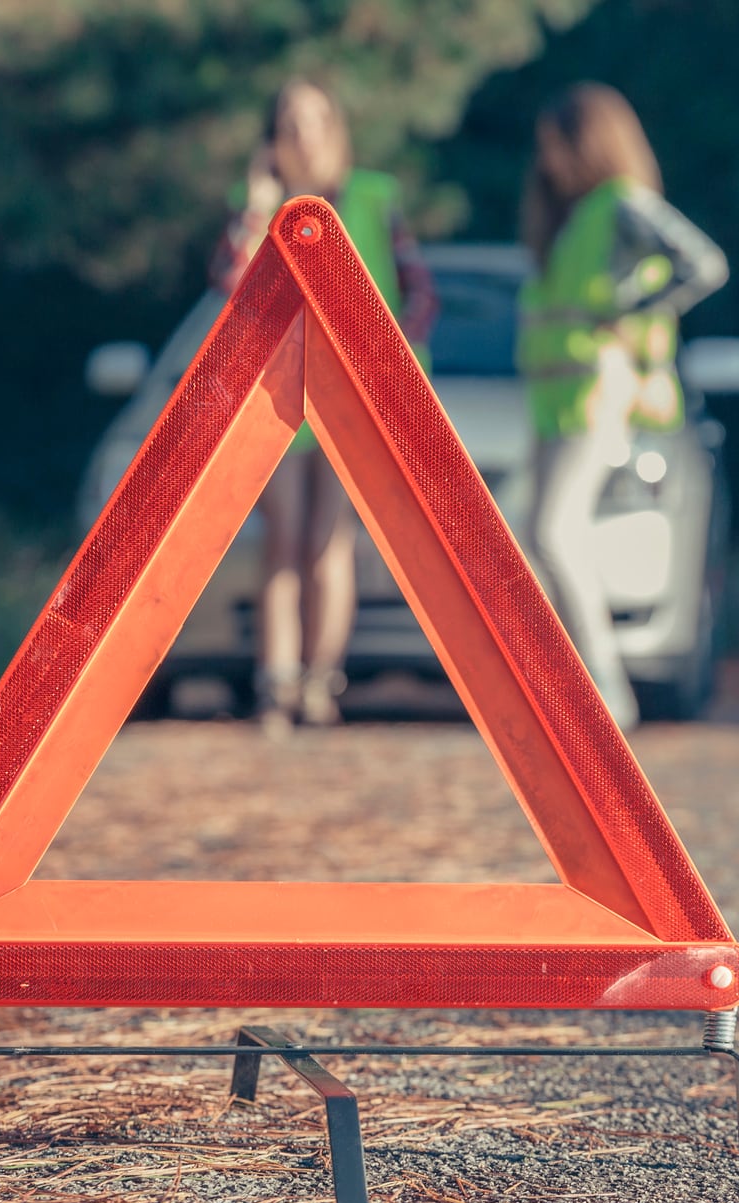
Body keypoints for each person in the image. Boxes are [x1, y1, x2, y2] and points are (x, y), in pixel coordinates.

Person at [212, 78, 437, 735]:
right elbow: (229, 285)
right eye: (289, 122)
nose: (304, 135)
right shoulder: (253, 205)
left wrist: (395, 371)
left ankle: (320, 681)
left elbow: (418, 293)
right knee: (282, 537)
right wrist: (256, 207)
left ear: (335, 129)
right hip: (277, 396)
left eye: (315, 121)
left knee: (327, 540)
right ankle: (275, 682)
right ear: (272, 138)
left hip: (357, 395)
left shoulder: (374, 197)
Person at [518, 83, 727, 731]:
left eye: (558, 146)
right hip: (554, 399)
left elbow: (703, 263)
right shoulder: (571, 219)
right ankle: (571, 684)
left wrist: (628, 310)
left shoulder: (623, 206)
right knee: (540, 538)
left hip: (597, 394)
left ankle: (604, 688)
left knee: (555, 531)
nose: (548, 162)